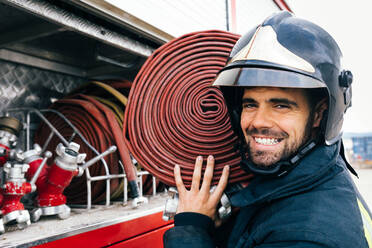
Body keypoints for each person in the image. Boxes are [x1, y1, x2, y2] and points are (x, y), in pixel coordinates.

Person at [163, 11, 372, 248]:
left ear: (318, 114)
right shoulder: (298, 180)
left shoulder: (307, 237)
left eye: (281, 105)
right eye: (250, 104)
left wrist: (191, 229)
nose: (258, 121)